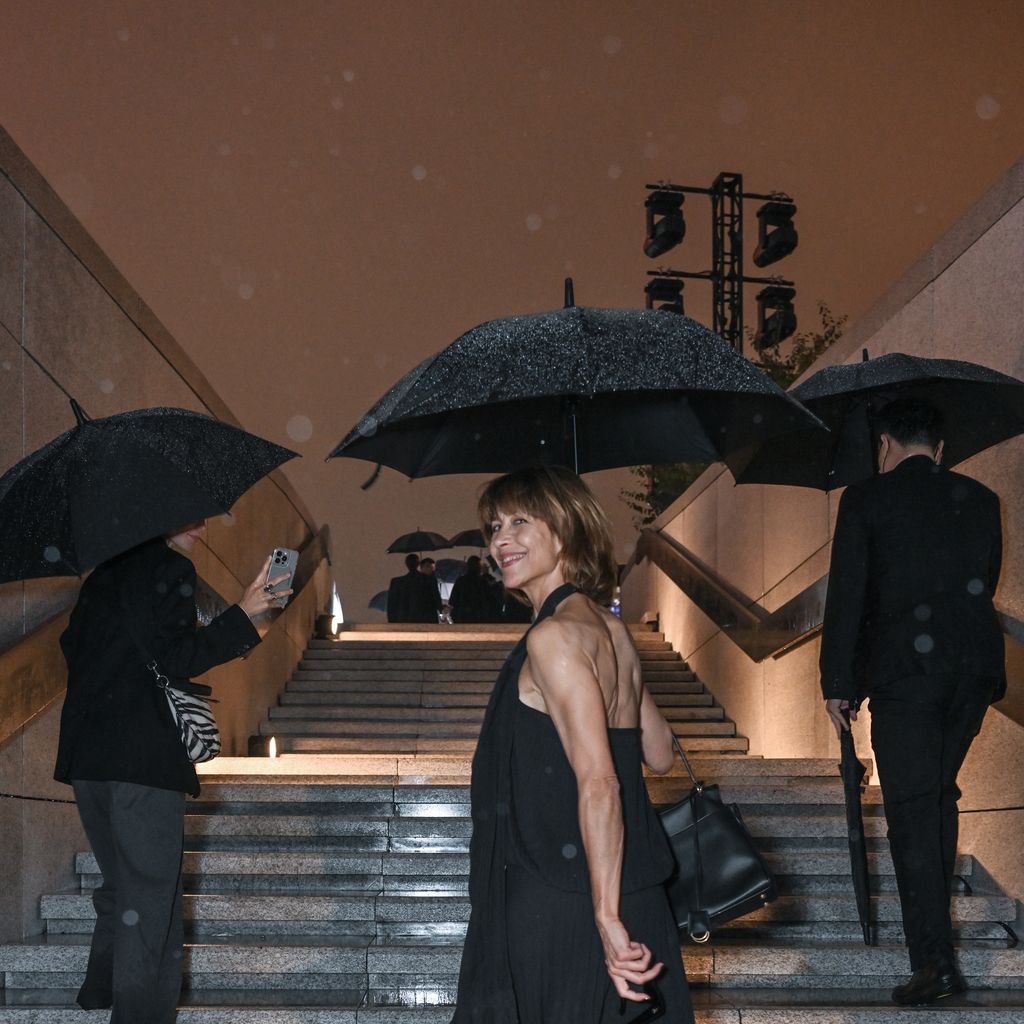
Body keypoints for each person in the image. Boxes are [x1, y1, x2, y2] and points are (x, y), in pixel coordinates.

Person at [453, 465, 692, 1024]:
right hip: (635, 886)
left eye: (518, 522)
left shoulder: (554, 636)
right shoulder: (609, 631)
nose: (500, 541)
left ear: (563, 532)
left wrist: (605, 920)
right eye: (493, 527)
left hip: (568, 896)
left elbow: (601, 781)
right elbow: (657, 754)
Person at [55, 520, 291, 1023]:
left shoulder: (102, 577)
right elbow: (180, 656)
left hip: (88, 760)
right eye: (191, 516)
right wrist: (244, 615)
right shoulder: (169, 568)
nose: (201, 527)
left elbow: (71, 648)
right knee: (150, 900)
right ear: (157, 516)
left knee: (121, 884)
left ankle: (98, 991)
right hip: (143, 760)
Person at [819, 398, 1005, 1007]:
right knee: (937, 798)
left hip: (906, 677)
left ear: (884, 446)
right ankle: (936, 954)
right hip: (973, 675)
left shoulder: (866, 499)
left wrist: (837, 681)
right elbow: (984, 580)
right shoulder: (980, 501)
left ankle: (934, 963)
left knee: (911, 811)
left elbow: (848, 595)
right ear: (940, 448)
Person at [449, 556, 492, 623]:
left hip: (462, 617)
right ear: (478, 567)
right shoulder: (483, 582)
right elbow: (489, 600)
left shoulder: (461, 580)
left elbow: (453, 600)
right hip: (480, 617)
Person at [387, 552, 420, 622]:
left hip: (402, 619)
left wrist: (391, 621)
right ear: (418, 564)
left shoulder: (397, 582)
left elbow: (391, 605)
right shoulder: (427, 580)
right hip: (422, 619)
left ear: (406, 564)